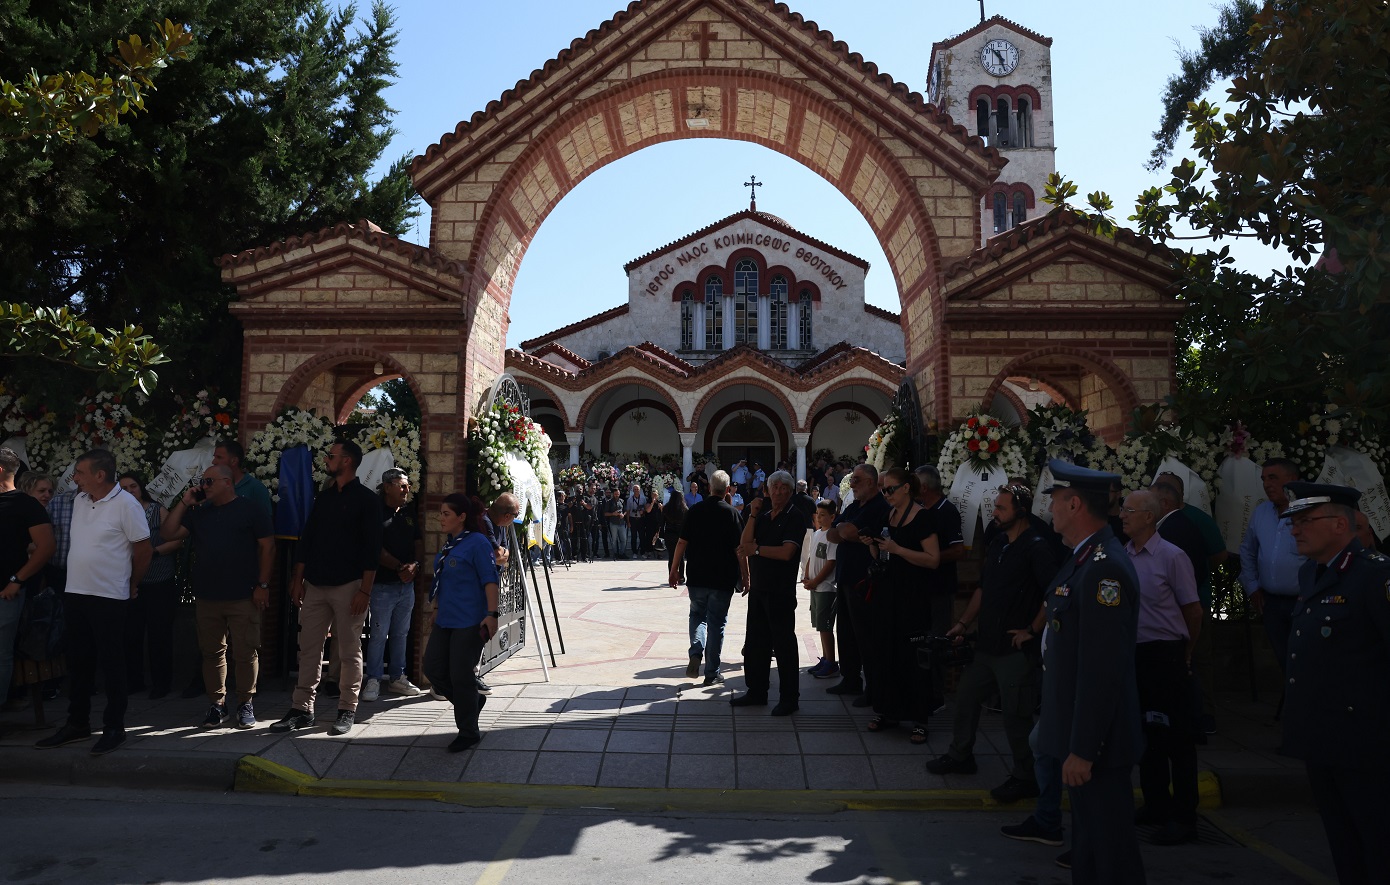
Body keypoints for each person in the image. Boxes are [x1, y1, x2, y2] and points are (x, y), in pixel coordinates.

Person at [1034, 459, 1145, 883]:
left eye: (1057, 501)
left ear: (1075, 504)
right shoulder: (1083, 559)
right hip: (1081, 736)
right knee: (1091, 855)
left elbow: (1102, 671)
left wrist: (1083, 749)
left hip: (1097, 744)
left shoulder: (1103, 569)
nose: (1052, 511)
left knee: (1111, 856)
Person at [1278, 482, 1390, 883]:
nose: (1295, 530)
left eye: (1306, 521)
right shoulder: (1312, 573)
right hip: (1322, 738)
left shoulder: (1375, 576)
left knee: (1378, 843)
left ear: (1341, 525)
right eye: (1294, 522)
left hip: (1366, 742)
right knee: (1343, 844)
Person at [932, 485, 1057, 803]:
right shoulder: (999, 541)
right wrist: (963, 623)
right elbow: (983, 590)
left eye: (1001, 508)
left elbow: (1053, 594)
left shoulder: (1037, 547)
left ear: (1021, 511)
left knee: (1016, 714)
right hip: (987, 645)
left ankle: (1025, 776)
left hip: (1015, 649)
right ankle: (961, 756)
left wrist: (1032, 629)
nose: (995, 513)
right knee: (967, 694)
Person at [35, 449, 151, 756]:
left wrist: (132, 583)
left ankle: (114, 727)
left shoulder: (127, 504)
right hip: (76, 592)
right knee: (79, 662)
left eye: (80, 472)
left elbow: (144, 549)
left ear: (100, 475)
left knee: (112, 663)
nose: (75, 478)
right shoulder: (80, 501)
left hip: (110, 596)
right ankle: (78, 723)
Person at [271, 440, 383, 737]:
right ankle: (301, 709)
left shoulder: (368, 501)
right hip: (315, 585)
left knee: (348, 651)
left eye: (330, 456)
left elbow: (372, 551)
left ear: (346, 461)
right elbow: (307, 540)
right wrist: (298, 579)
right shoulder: (324, 498)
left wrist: (365, 591)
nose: (326, 460)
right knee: (308, 649)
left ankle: (347, 709)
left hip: (350, 586)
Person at [162, 464, 274, 729]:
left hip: (243, 595)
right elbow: (167, 534)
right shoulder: (200, 512)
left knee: (246, 652)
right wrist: (184, 502)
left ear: (227, 481)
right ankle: (217, 704)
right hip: (207, 596)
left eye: (208, 481)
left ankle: (246, 703)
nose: (204, 486)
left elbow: (268, 547)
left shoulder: (251, 509)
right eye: (202, 481)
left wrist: (263, 585)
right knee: (212, 652)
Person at [1121, 489, 1202, 845]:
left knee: (1177, 738)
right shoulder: (1124, 556)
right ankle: (1156, 803)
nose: (1122, 515)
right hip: (1135, 655)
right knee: (1146, 735)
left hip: (1167, 654)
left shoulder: (1172, 556)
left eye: (1129, 510)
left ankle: (1184, 817)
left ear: (1149, 517)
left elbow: (1193, 611)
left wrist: (1186, 653)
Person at [861, 468, 938, 743]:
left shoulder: (923, 518)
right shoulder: (888, 515)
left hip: (912, 597)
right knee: (885, 652)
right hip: (886, 594)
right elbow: (882, 553)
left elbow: (933, 559)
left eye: (890, 489)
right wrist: (873, 544)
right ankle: (886, 710)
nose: (886, 494)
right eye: (883, 490)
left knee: (912, 657)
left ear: (907, 488)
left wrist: (899, 550)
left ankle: (920, 718)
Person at [423, 493, 500, 753]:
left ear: (462, 517)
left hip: (469, 620)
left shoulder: (477, 542)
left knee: (461, 675)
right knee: (433, 668)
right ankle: (471, 703)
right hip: (446, 618)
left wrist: (492, 614)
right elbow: (445, 579)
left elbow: (490, 579)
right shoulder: (452, 543)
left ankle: (468, 732)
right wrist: (437, 608)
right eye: (441, 513)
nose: (440, 518)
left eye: (446, 514)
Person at [733, 470, 805, 715]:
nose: (778, 493)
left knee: (784, 645)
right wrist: (752, 515)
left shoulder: (794, 516)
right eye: (774, 488)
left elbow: (786, 553)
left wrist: (757, 550)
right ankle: (756, 691)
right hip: (759, 589)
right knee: (755, 643)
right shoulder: (763, 516)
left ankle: (789, 698)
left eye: (783, 488)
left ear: (790, 491)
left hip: (780, 591)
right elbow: (744, 545)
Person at [823, 463, 890, 701]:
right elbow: (832, 532)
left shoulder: (879, 507)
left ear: (871, 482)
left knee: (866, 636)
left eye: (857, 480)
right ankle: (850, 679)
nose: (852, 484)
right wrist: (843, 529)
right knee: (846, 632)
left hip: (864, 580)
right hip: (844, 577)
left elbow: (850, 532)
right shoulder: (853, 506)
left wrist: (844, 530)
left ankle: (873, 688)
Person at [670, 470, 742, 685]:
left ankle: (696, 650)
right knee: (717, 623)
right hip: (722, 578)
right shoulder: (732, 513)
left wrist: (674, 569)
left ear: (709, 488)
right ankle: (712, 672)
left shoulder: (695, 511)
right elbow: (740, 549)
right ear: (727, 490)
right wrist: (746, 577)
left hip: (697, 575)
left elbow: (681, 542)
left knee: (697, 615)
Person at [117, 472, 182, 699]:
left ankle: (161, 683)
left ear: (141, 487)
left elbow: (176, 539)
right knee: (130, 634)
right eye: (123, 488)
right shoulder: (117, 512)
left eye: (133, 486)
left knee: (159, 634)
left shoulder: (156, 510)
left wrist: (153, 552)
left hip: (158, 580)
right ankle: (134, 681)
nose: (129, 491)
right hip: (128, 581)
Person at [362, 468, 424, 703]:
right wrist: (399, 567)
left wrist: (415, 565)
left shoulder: (408, 511)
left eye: (407, 486)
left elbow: (418, 541)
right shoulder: (375, 511)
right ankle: (374, 679)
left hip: (406, 586)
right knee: (378, 634)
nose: (406, 490)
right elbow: (373, 547)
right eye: (401, 485)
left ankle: (398, 677)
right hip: (383, 585)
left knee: (401, 633)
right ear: (387, 487)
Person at [1238, 458, 1305, 671]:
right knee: (1283, 663)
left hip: (1303, 603)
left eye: (1273, 478)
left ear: (1292, 480)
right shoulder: (1261, 512)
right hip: (1271, 605)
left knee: (1305, 662)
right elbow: (1247, 550)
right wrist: (1252, 586)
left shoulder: (1308, 513)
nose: (1267, 484)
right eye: (1264, 479)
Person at [0, 448, 55, 710]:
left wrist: (16, 580)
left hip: (6, 591)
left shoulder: (25, 504)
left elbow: (45, 547)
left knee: (1, 653)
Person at [915, 464, 966, 709]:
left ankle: (936, 696)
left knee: (936, 640)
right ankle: (921, 688)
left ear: (924, 487)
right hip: (922, 588)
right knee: (921, 640)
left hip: (940, 588)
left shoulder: (947, 512)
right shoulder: (922, 510)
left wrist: (928, 556)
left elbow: (958, 550)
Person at [802, 499, 839, 680]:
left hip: (826, 587)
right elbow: (811, 556)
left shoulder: (832, 536)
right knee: (819, 625)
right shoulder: (817, 534)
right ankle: (825, 658)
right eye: (818, 514)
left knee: (826, 626)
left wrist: (816, 581)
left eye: (824, 515)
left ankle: (831, 662)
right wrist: (807, 576)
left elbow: (830, 563)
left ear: (833, 516)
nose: (819, 518)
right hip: (815, 587)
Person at [213, 438, 272, 519]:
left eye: (219, 457)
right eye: (214, 457)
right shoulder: (212, 485)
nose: (213, 462)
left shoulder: (256, 488)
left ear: (234, 461)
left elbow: (265, 525)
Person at [661, 487, 687, 583]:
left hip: (669, 534)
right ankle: (681, 577)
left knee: (671, 556)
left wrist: (662, 535)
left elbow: (662, 523)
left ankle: (671, 576)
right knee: (681, 557)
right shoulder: (684, 509)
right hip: (681, 535)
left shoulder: (666, 508)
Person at [603, 486, 627, 559]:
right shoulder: (609, 502)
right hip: (613, 523)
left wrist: (623, 514)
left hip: (622, 523)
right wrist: (613, 514)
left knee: (624, 539)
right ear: (613, 494)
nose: (617, 495)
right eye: (616, 494)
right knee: (614, 540)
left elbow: (626, 510)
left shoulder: (622, 501)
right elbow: (605, 513)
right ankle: (615, 554)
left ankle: (622, 553)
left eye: (618, 494)